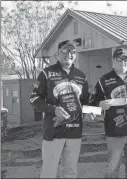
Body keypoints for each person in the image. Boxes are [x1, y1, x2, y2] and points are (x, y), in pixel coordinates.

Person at [30, 40, 95, 178]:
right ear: (58, 54)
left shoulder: (81, 76)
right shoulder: (46, 73)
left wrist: (89, 112)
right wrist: (52, 109)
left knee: (70, 172)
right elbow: (34, 99)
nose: (69, 54)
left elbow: (84, 101)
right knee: (49, 172)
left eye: (72, 51)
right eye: (65, 51)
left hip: (75, 132)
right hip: (53, 132)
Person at [89, 47, 127, 178]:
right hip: (114, 132)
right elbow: (92, 102)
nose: (123, 61)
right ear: (113, 61)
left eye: (126, 58)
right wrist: (99, 104)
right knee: (112, 169)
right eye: (119, 58)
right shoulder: (103, 80)